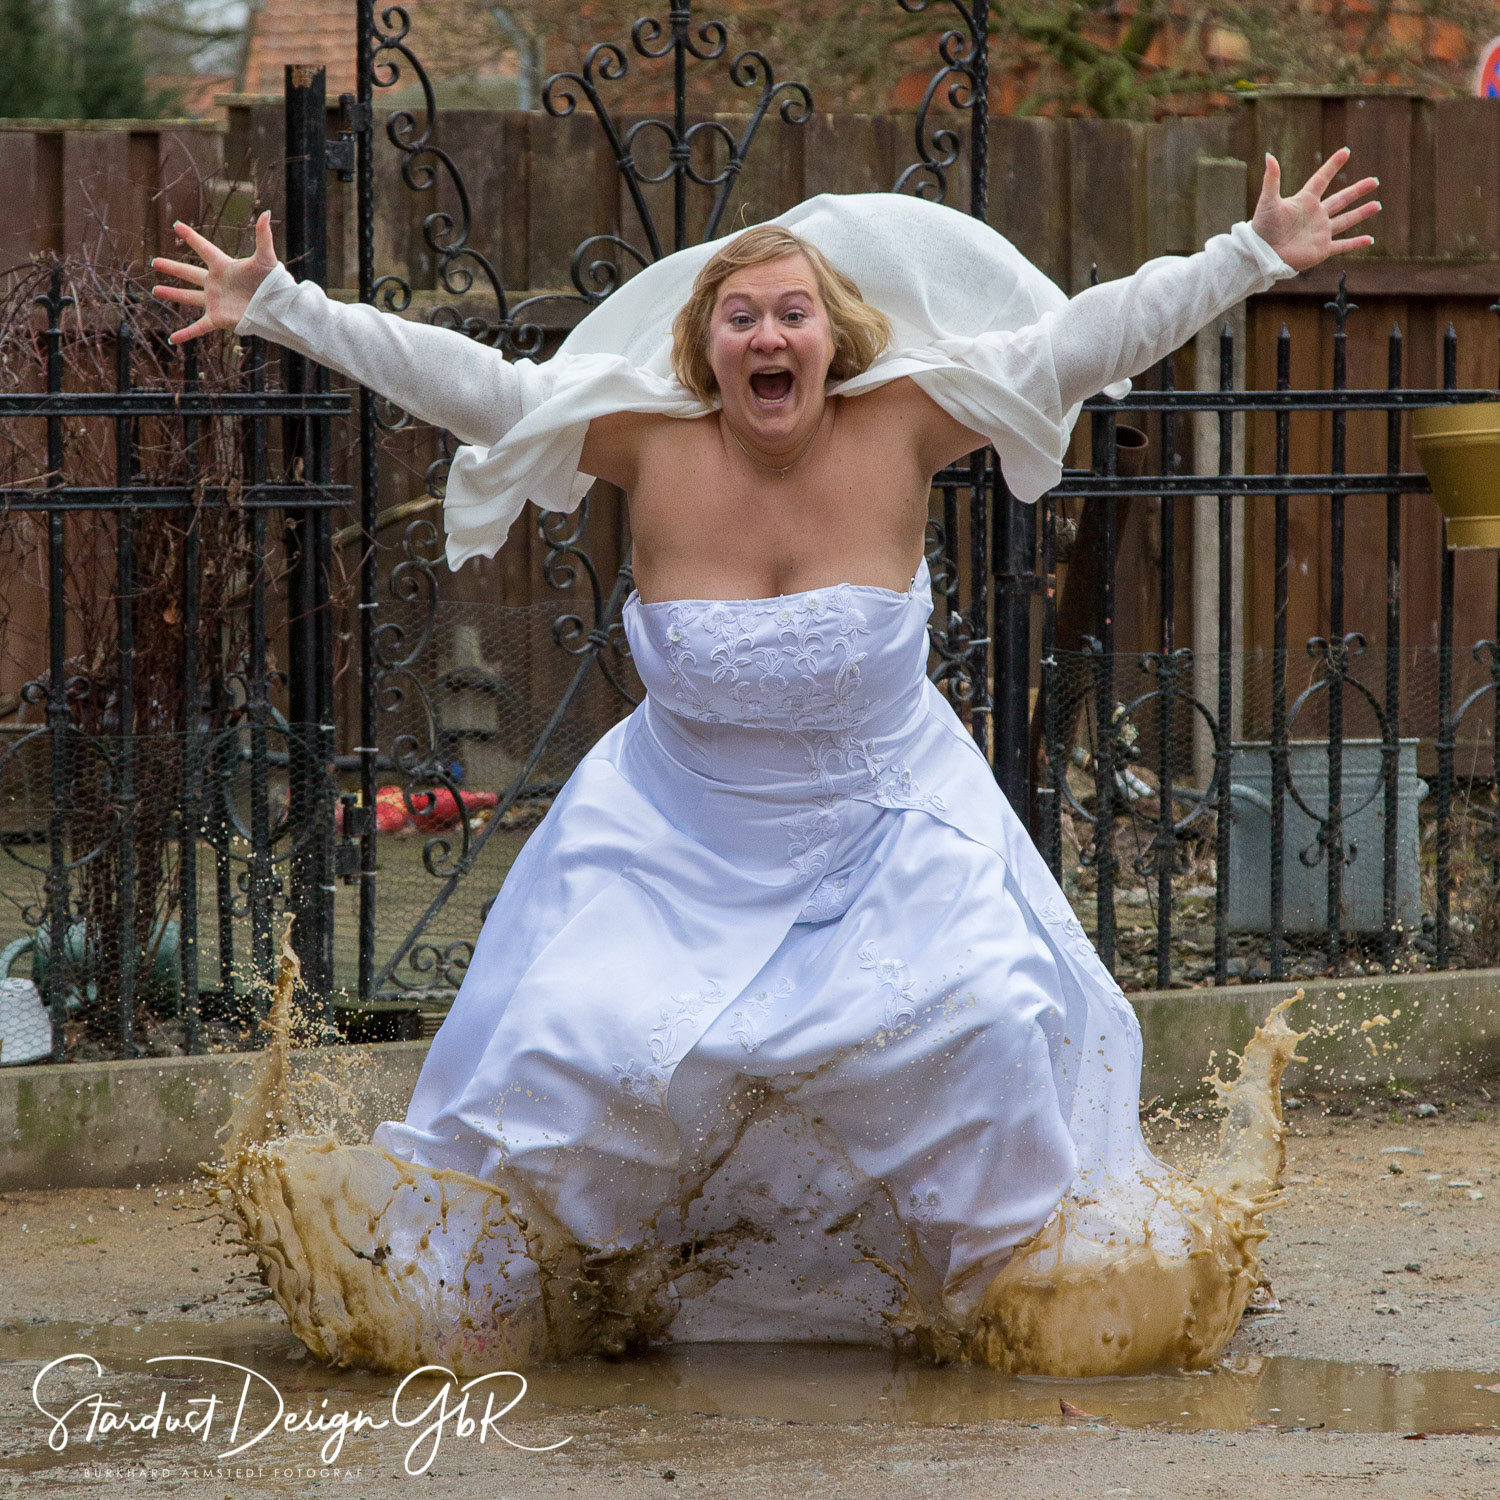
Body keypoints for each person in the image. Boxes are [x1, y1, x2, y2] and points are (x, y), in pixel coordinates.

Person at [153, 152, 1378, 1353]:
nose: (767, 334)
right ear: (707, 350)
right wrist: (282, 306)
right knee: (563, 1039)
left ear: (833, 339)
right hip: (671, 832)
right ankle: (560, 1287)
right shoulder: (648, 441)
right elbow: (477, 388)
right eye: (740, 317)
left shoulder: (906, 422)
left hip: (890, 823)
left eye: (793, 311)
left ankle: (1006, 1286)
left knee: (989, 1028)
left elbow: (1083, 341)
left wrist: (1250, 253)